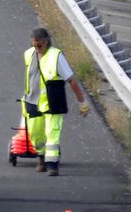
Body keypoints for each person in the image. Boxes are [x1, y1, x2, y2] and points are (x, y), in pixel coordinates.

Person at [22, 27, 89, 176]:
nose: (36, 48)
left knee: (52, 133)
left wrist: (82, 102)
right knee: (35, 135)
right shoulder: (28, 55)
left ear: (46, 42)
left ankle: (52, 165)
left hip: (52, 102)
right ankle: (41, 157)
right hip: (32, 101)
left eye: (39, 45)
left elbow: (71, 80)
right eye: (34, 45)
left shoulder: (56, 56)